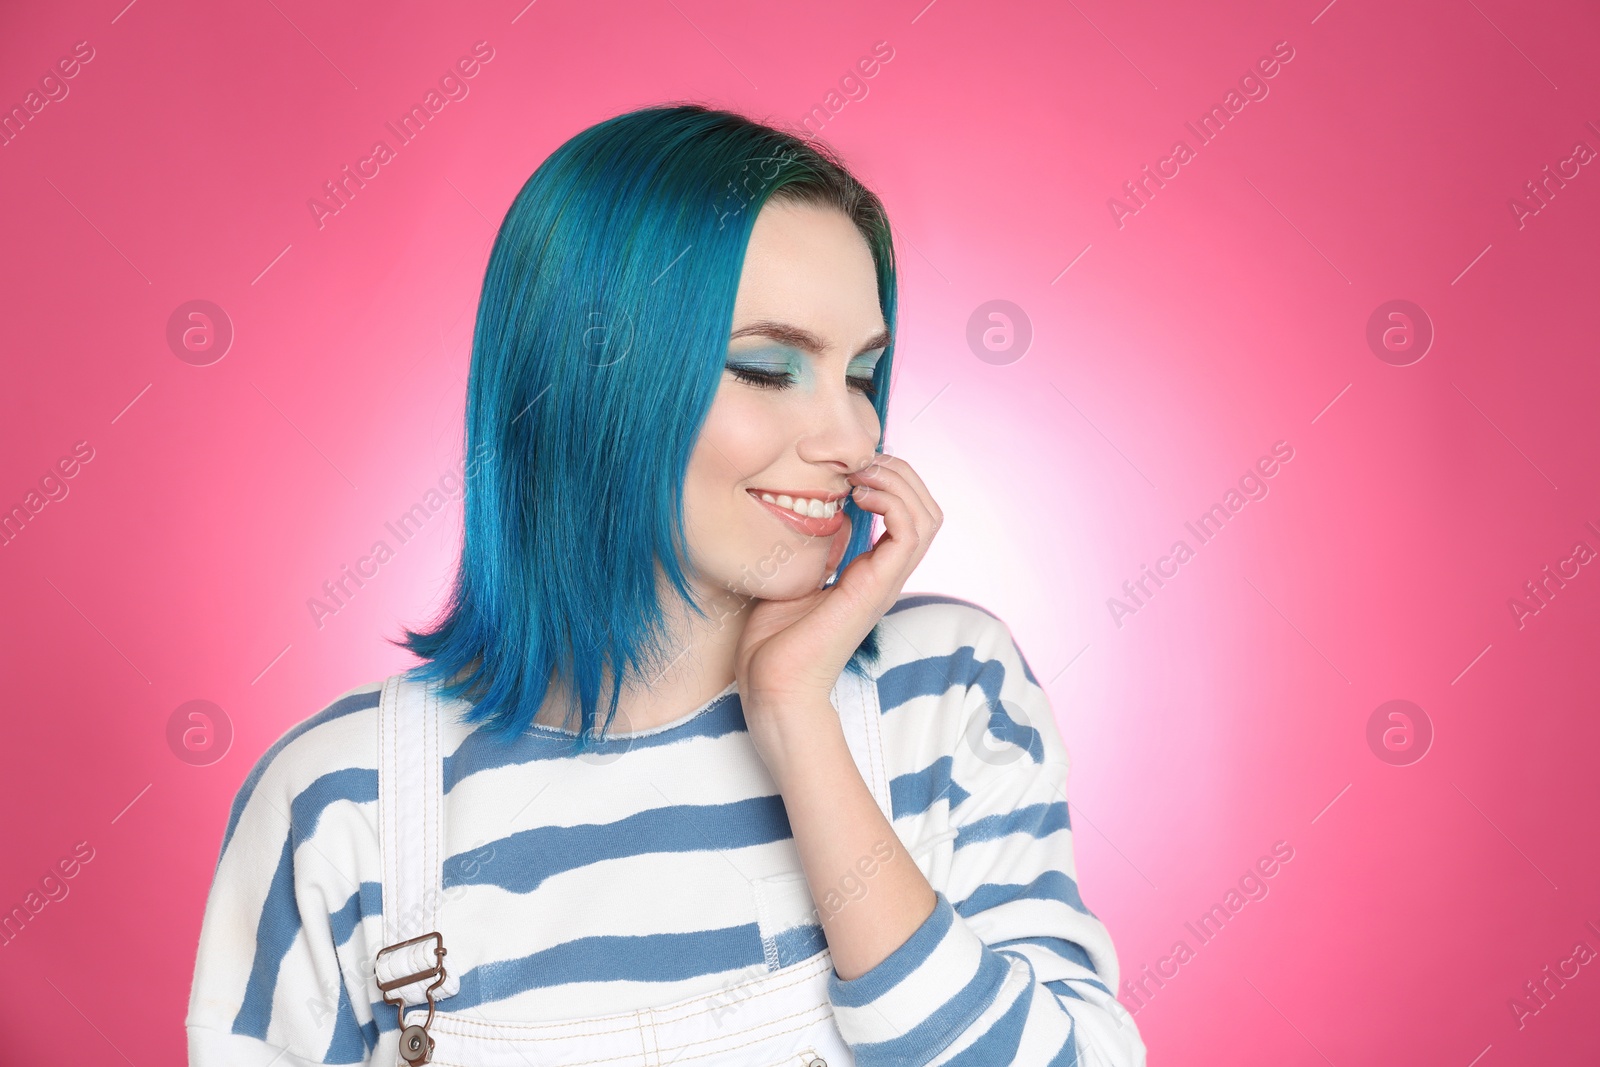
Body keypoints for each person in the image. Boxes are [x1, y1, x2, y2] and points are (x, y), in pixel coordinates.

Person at [186, 103, 1146, 1066]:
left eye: (862, 373)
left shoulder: (944, 695)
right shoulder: (340, 804)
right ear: (590, 379)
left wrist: (796, 722)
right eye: (768, 369)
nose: (855, 438)